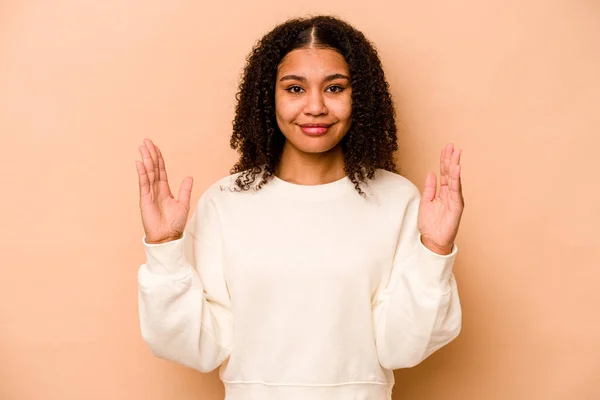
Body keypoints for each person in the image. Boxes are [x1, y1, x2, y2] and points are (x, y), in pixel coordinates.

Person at [135, 15, 464, 400]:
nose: (315, 106)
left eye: (335, 88)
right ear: (268, 97)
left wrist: (434, 251)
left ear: (361, 98)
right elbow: (196, 344)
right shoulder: (226, 202)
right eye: (295, 88)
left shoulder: (398, 200)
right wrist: (163, 248)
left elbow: (401, 346)